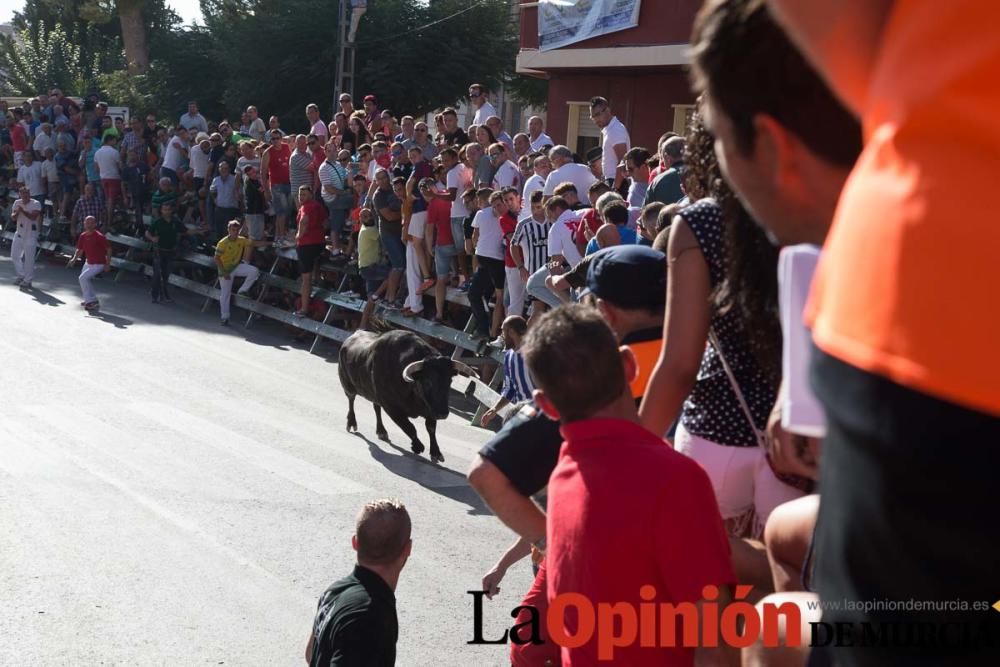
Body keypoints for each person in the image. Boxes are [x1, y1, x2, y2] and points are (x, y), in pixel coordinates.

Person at [519, 304, 736, 666]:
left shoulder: (561, 478)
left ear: (547, 406)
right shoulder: (677, 477)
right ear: (630, 366)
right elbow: (716, 638)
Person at [639, 104, 803, 538]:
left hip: (717, 431)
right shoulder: (821, 211)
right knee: (788, 590)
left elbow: (678, 366)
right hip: (801, 438)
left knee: (704, 585)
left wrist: (627, 457)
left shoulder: (700, 222)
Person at [306, 499, 410, 667]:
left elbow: (311, 653)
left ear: (355, 543)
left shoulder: (335, 590)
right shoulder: (368, 616)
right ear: (408, 549)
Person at [468, 191, 507, 341]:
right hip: (496, 260)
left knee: (478, 295)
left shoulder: (481, 214)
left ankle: (487, 331)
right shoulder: (505, 215)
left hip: (486, 259)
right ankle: (490, 332)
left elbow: (474, 237)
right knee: (493, 297)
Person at [480, 316, 533, 426]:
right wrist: (494, 409)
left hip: (540, 414)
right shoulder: (508, 356)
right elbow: (509, 389)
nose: (501, 336)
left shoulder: (535, 354)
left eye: (503, 331)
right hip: (521, 413)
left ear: (512, 332)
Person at [214, 220, 260, 326]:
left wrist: (273, 243)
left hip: (236, 266)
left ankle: (242, 290)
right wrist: (224, 272)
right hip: (225, 270)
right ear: (229, 230)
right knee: (225, 294)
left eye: (237, 230)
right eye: (233, 230)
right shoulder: (222, 242)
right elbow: (216, 258)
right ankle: (224, 317)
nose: (235, 232)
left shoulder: (241, 240)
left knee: (254, 271)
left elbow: (254, 243)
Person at [293, 184, 328, 318]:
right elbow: (326, 223)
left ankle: (304, 308)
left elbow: (304, 221)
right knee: (314, 272)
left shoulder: (306, 207)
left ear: (310, 195)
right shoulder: (318, 206)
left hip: (306, 244)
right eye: (300, 194)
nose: (302, 197)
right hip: (319, 242)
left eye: (304, 194)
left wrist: (298, 236)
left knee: (306, 279)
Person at [372, 169, 405, 307]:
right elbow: (389, 216)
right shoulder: (378, 196)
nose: (383, 181)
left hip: (401, 232)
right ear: (376, 181)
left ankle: (391, 296)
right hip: (389, 234)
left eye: (384, 177)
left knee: (400, 265)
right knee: (398, 265)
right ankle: (390, 298)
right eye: (379, 179)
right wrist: (405, 213)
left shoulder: (394, 187)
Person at [67, 215, 111, 311]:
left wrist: (107, 264)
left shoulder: (100, 236)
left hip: (99, 263)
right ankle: (91, 299)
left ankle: (90, 301)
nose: (89, 225)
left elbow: (109, 249)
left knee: (82, 278)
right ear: (84, 224)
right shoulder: (82, 236)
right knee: (84, 279)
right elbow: (79, 249)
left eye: (91, 223)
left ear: (95, 224)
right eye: (87, 223)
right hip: (88, 262)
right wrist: (74, 259)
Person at [145, 200, 186, 304]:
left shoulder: (175, 222)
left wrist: (199, 231)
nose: (166, 212)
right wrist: (152, 238)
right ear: (161, 211)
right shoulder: (157, 222)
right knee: (157, 273)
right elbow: (147, 233)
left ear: (171, 210)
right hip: (159, 251)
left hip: (170, 251)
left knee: (166, 275)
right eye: (164, 210)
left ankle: (165, 295)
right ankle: (155, 296)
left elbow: (185, 231)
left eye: (168, 210)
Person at [318, 144, 353, 256]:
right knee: (354, 199)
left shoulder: (338, 164)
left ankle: (336, 249)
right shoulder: (323, 168)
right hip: (333, 198)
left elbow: (346, 176)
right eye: (329, 151)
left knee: (336, 222)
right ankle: (350, 218)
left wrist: (351, 173)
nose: (332, 153)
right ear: (325, 152)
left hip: (338, 196)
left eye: (334, 151)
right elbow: (329, 188)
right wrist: (344, 192)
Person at [261, 129, 293, 245]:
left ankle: (282, 234)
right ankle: (279, 237)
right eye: (273, 139)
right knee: (281, 212)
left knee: (288, 210)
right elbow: (263, 172)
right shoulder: (267, 153)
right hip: (276, 186)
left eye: (277, 138)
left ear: (281, 138)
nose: (275, 141)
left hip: (289, 183)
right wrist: (266, 190)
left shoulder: (286, 147)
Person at [10, 186, 42, 289]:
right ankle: (21, 275)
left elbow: (33, 217)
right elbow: (13, 217)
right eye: (23, 193)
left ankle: (28, 280)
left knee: (29, 259)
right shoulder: (17, 202)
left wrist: (22, 211)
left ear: (29, 193)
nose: (25, 195)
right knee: (14, 255)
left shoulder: (36, 203)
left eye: (26, 193)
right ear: (20, 194)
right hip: (19, 233)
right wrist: (17, 212)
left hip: (31, 235)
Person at [644, 136, 686, 205]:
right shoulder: (701, 175)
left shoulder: (658, 181)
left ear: (667, 157)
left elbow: (646, 211)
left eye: (662, 159)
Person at [94, 134, 122, 228]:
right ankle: (109, 222)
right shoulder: (114, 152)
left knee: (107, 200)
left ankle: (105, 221)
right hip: (114, 178)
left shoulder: (97, 152)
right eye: (114, 140)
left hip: (103, 178)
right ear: (111, 140)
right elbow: (120, 166)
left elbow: (96, 168)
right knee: (111, 201)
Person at [209, 161, 239, 241]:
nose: (224, 170)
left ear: (229, 169)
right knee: (218, 229)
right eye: (222, 168)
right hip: (219, 208)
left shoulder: (234, 179)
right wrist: (215, 200)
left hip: (231, 208)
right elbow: (212, 191)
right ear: (219, 169)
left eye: (226, 168)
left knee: (228, 230)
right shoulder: (216, 180)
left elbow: (239, 193)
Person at [242, 165, 267, 242]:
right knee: (254, 236)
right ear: (248, 175)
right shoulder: (251, 183)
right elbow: (263, 191)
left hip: (258, 211)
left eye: (254, 172)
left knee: (259, 234)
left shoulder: (255, 181)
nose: (254, 174)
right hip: (253, 212)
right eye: (251, 173)